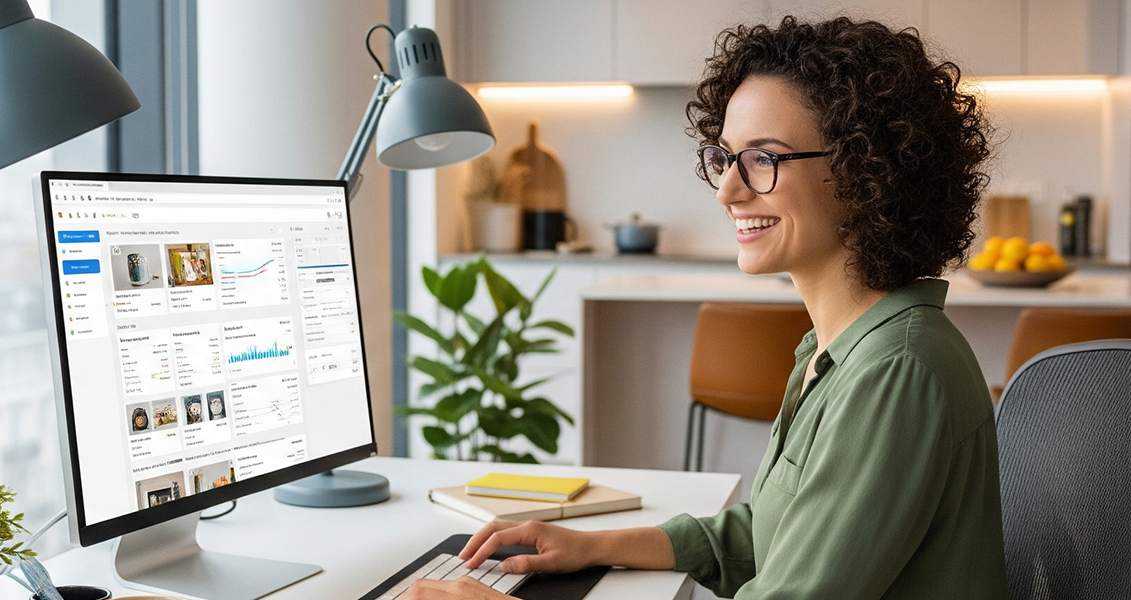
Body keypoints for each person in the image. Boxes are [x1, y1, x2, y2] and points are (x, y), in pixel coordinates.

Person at [408, 16, 1003, 600]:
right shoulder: (839, 349)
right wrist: (595, 546)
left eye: (763, 158)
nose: (728, 190)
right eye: (726, 158)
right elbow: (771, 535)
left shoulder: (893, 373)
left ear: (866, 170)